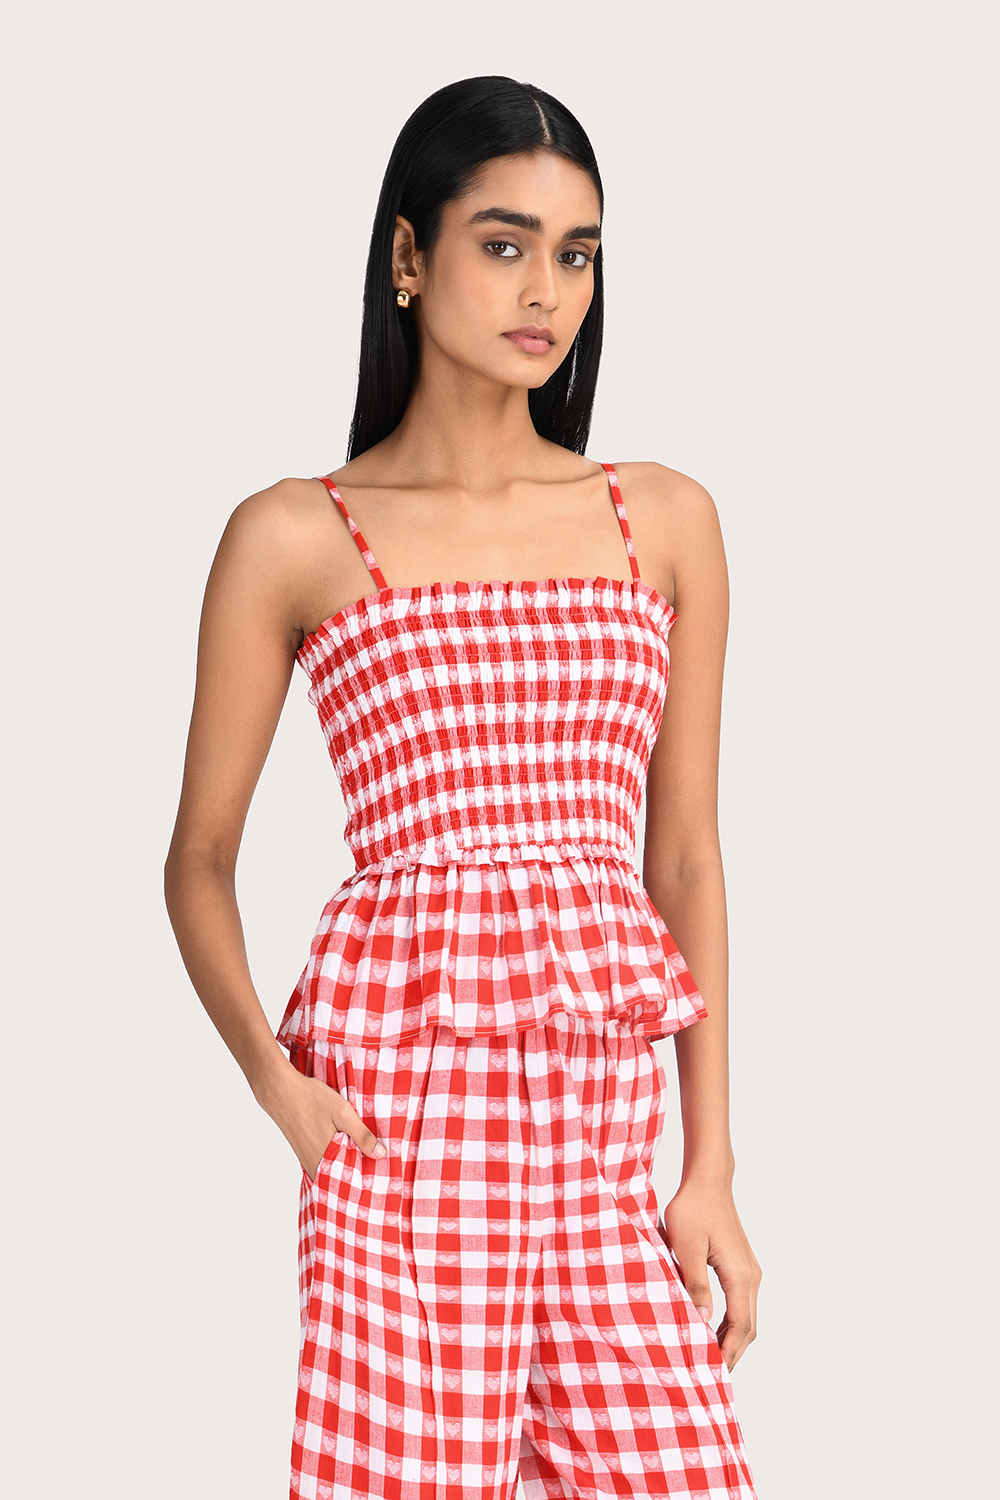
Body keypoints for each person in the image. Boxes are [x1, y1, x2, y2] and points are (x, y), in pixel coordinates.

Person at [165, 74, 761, 1500]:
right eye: (504, 244)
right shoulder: (296, 534)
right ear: (409, 256)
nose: (546, 291)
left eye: (577, 253)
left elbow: (683, 860)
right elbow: (198, 860)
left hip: (603, 1139)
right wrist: (277, 1087)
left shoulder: (662, 520)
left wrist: (712, 1167)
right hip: (399, 1128)